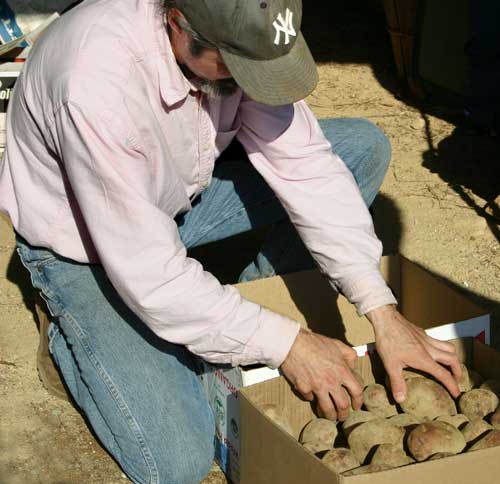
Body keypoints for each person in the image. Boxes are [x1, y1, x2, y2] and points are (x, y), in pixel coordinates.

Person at [0, 0, 461, 482]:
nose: (249, 83)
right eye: (235, 67)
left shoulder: (239, 38)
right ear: (177, 24)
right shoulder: (95, 84)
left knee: (359, 150)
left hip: (178, 197)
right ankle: (68, 329)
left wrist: (381, 309)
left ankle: (239, 307)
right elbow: (149, 273)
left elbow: (306, 167)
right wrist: (289, 345)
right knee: (177, 463)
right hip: (88, 246)